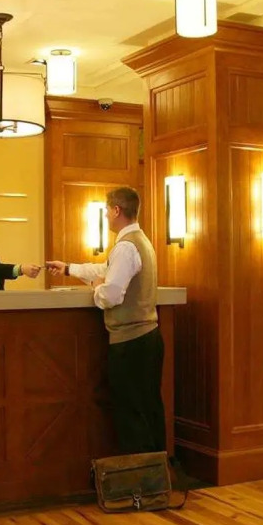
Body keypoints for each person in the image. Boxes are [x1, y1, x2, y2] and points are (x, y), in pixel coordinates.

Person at [46, 187, 165, 455]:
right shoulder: (141, 241)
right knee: (148, 410)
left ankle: (139, 476)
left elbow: (111, 294)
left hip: (130, 343)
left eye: (106, 210)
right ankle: (155, 473)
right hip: (148, 338)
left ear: (116, 210)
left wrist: (97, 288)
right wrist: (68, 268)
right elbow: (104, 269)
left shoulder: (125, 247)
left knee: (131, 415)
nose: (106, 215)